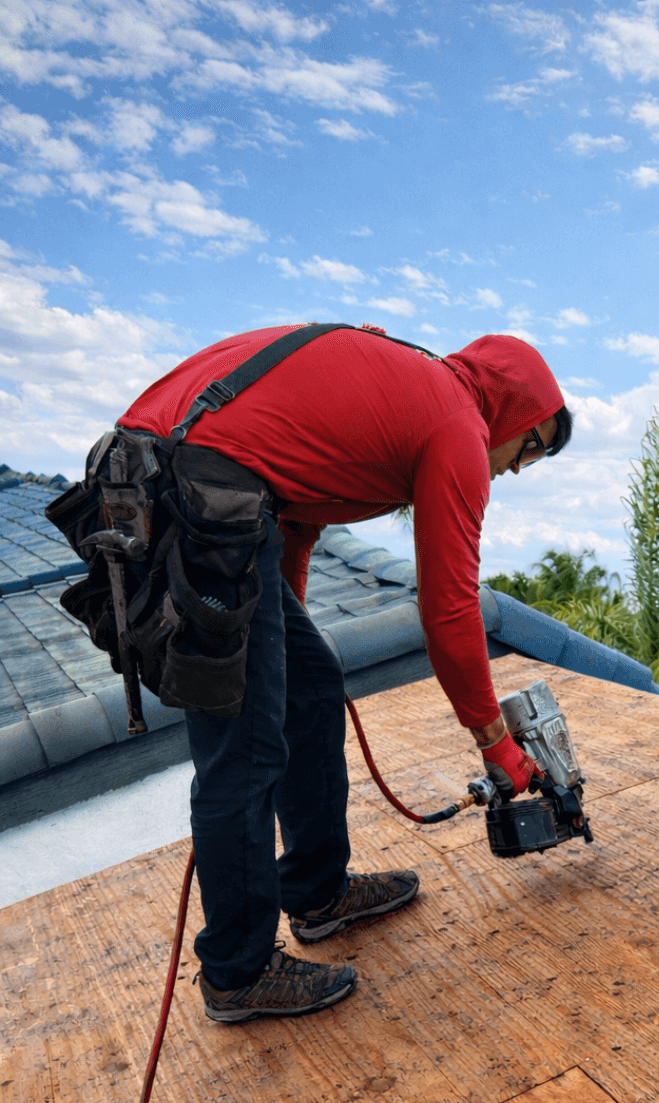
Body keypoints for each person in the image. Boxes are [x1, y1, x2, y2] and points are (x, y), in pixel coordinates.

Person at [114, 323, 573, 1022]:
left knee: (313, 689)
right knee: (245, 750)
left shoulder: (415, 392)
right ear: (513, 411)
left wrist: (281, 642)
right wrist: (497, 746)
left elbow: (295, 519)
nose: (514, 468)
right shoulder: (457, 426)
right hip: (192, 490)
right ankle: (237, 973)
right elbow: (450, 610)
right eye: (531, 448)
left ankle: (317, 892)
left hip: (193, 482)